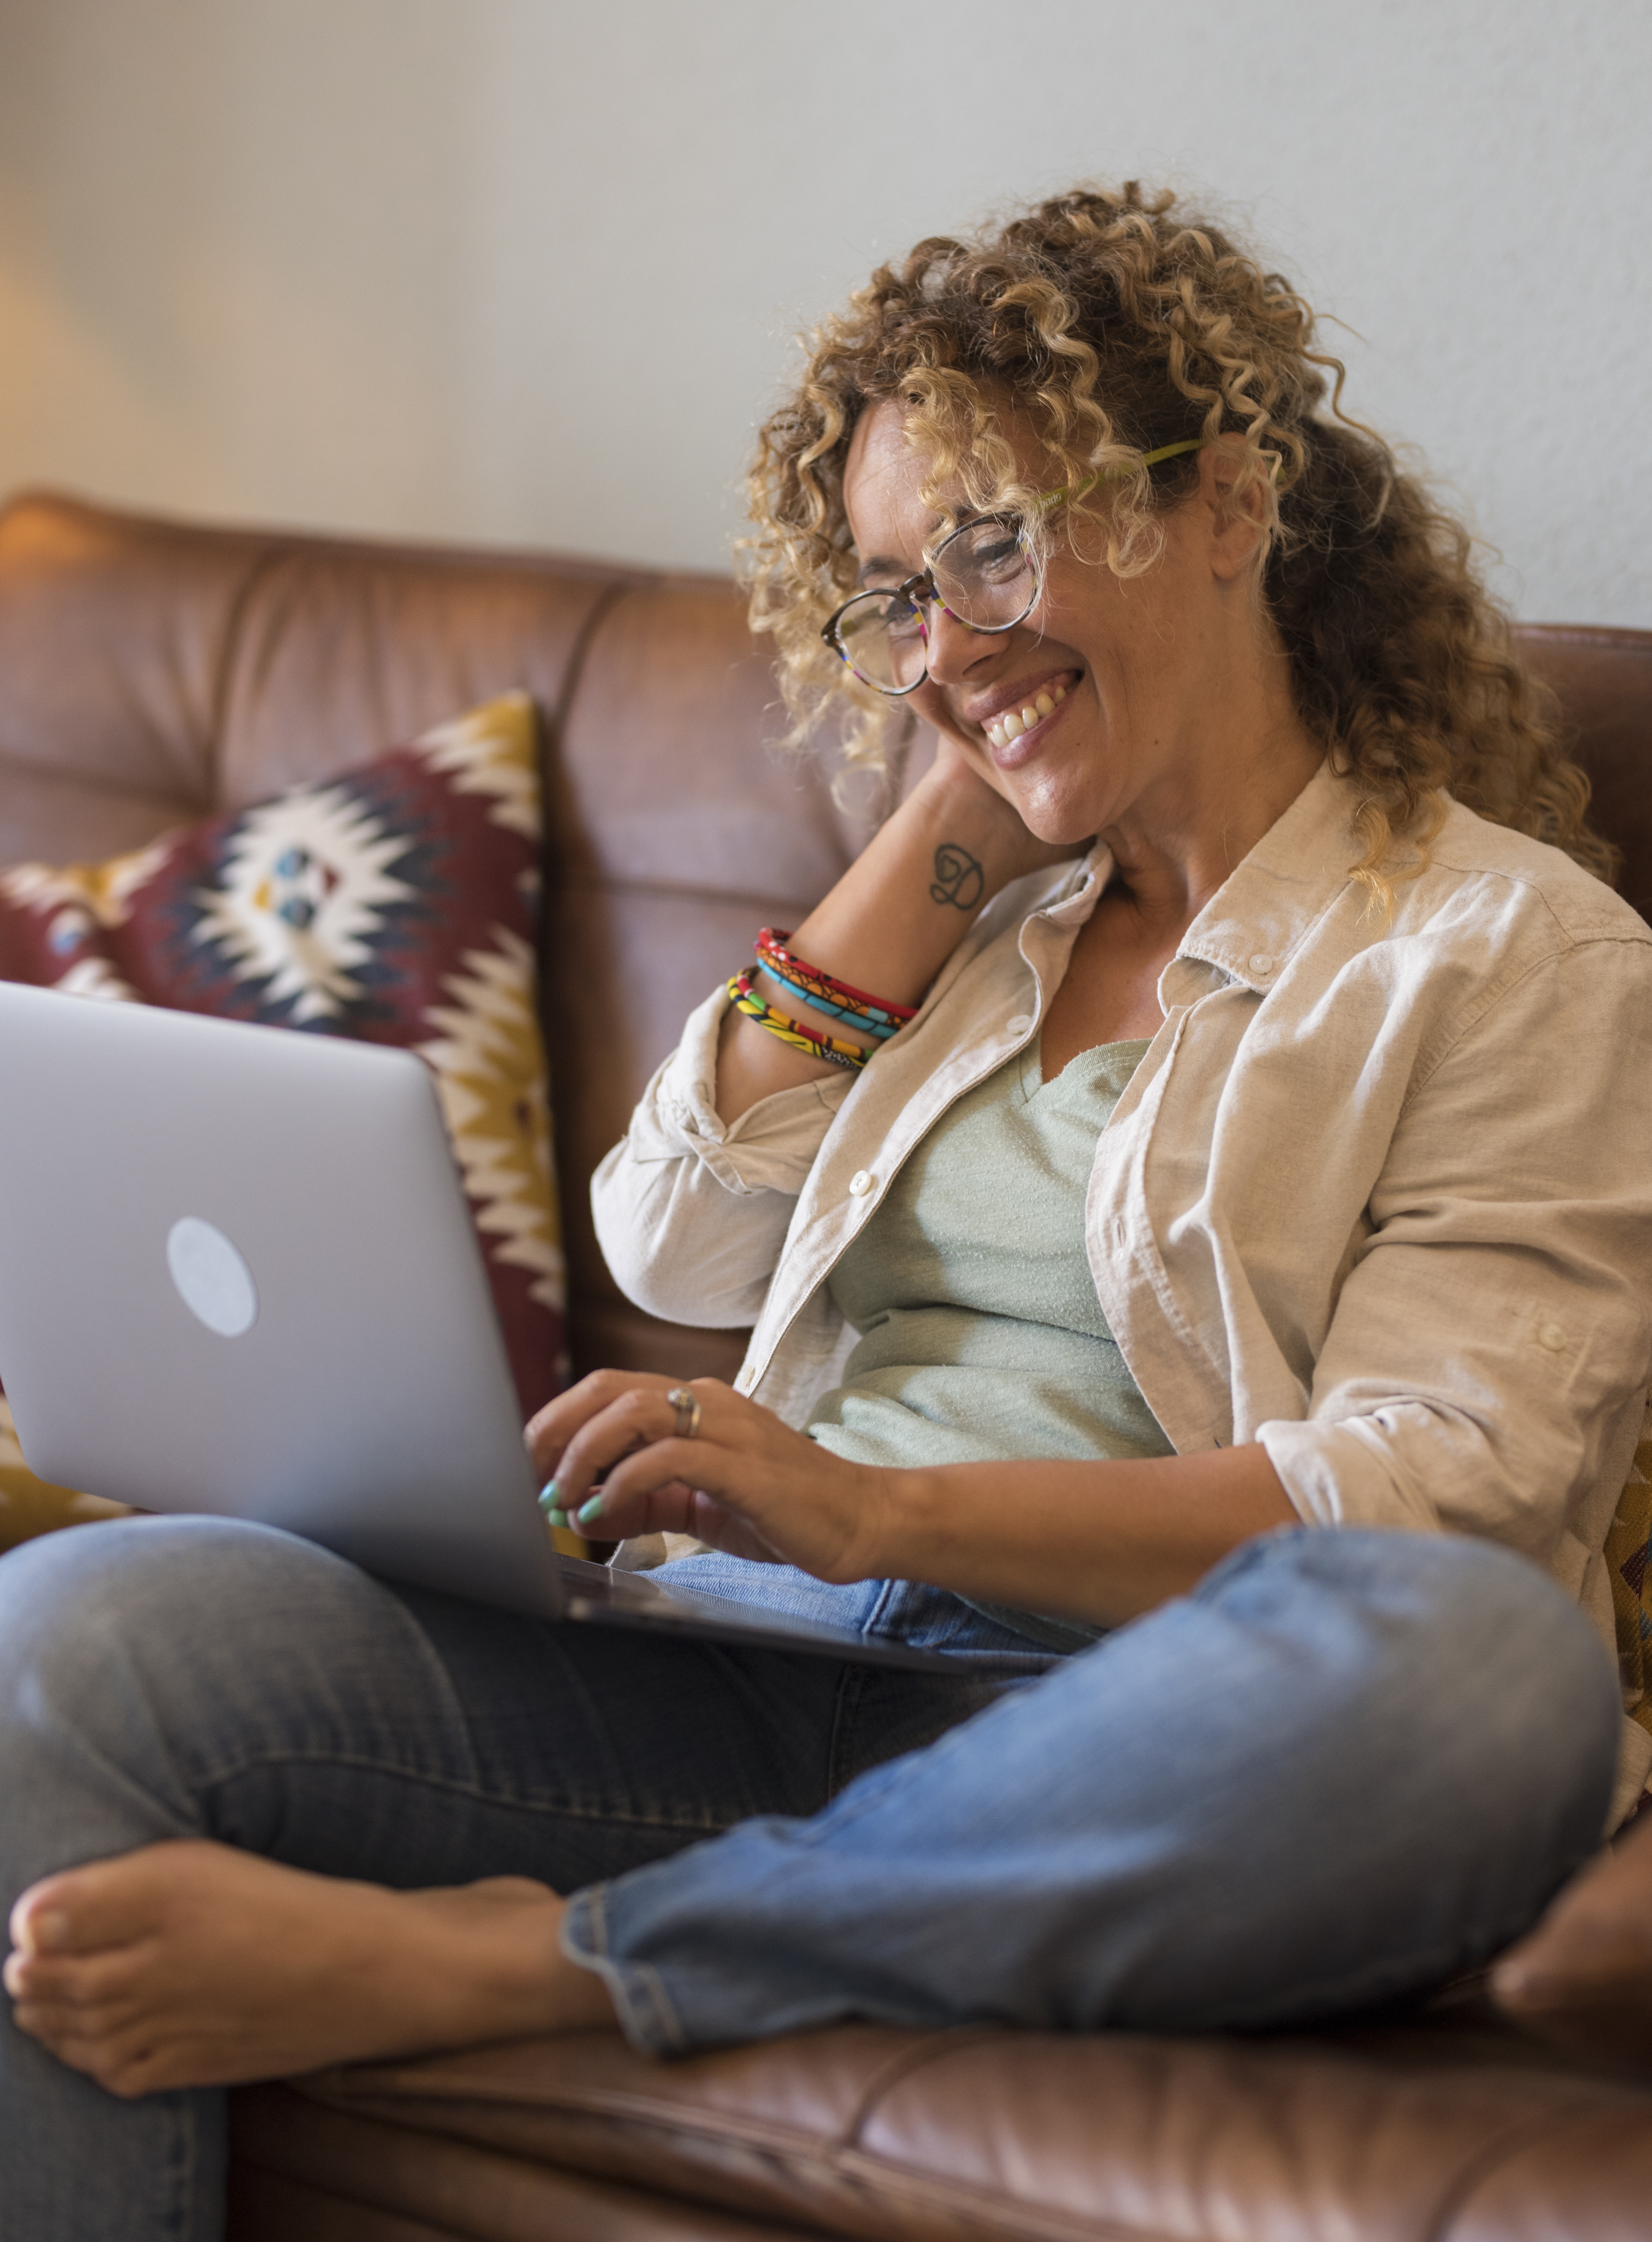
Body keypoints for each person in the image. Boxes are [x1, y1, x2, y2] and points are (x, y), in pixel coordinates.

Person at [3, 181, 1649, 2242]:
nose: (943, 641)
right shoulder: (981, 915)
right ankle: (703, 1913)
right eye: (893, 594)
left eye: (997, 542)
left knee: (1484, 1671)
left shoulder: (1507, 951)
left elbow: (1438, 1496)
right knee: (64, 1638)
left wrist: (873, 1512)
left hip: (1105, 1731)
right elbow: (666, 1249)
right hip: (733, 1655)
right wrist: (954, 814)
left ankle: (545, 1960)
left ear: (1229, 496)